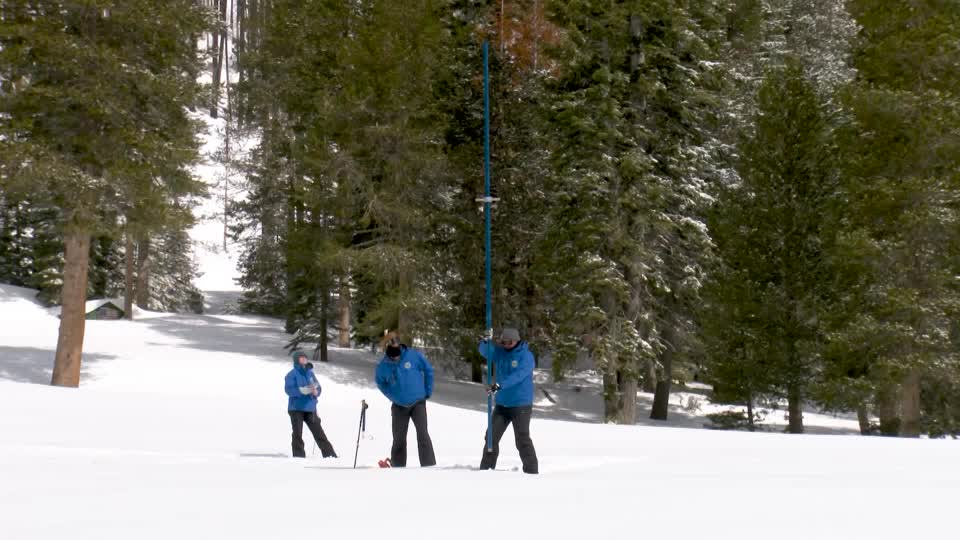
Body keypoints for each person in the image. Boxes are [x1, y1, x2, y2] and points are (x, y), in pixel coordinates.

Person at [479, 327, 539, 474]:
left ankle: (532, 472)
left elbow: (518, 376)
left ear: (516, 341)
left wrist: (499, 385)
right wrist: (484, 341)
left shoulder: (526, 356)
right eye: (503, 342)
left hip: (521, 405)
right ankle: (485, 470)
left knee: (522, 439)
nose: (506, 345)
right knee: (491, 437)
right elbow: (485, 351)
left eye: (509, 342)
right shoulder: (500, 353)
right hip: (502, 405)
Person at [375, 333, 437, 467]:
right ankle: (398, 467)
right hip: (398, 406)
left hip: (418, 402)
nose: (396, 358)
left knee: (423, 434)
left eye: (397, 355)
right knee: (399, 439)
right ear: (388, 353)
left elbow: (428, 370)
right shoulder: (383, 366)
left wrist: (428, 390)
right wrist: (392, 396)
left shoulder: (413, 356)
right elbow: (380, 383)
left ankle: (429, 466)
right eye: (393, 356)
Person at [284, 349, 337, 458]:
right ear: (296, 360)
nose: (304, 359)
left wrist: (316, 392)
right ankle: (299, 456)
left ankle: (330, 455)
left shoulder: (310, 373)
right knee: (297, 433)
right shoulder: (291, 374)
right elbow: (289, 390)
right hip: (296, 408)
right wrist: (301, 391)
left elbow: (318, 387)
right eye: (301, 358)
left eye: (305, 357)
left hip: (310, 407)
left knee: (319, 432)